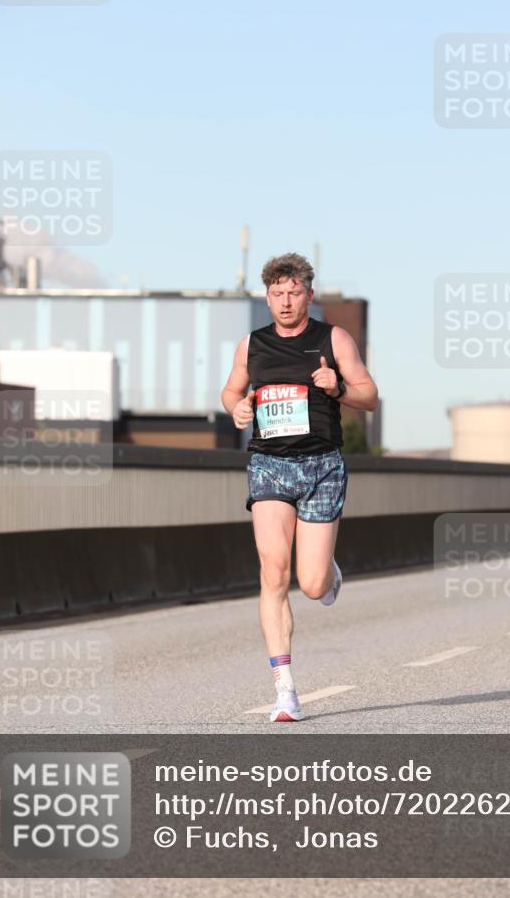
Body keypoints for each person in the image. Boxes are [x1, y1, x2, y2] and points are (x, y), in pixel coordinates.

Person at [221, 253, 379, 722]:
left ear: (309, 295)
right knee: (273, 571)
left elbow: (369, 396)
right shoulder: (252, 345)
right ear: (267, 297)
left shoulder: (333, 338)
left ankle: (326, 568)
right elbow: (231, 390)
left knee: (310, 585)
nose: (286, 302)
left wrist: (336, 388)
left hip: (321, 466)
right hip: (269, 464)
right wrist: (237, 408)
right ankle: (285, 689)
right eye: (277, 294)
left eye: (294, 293)